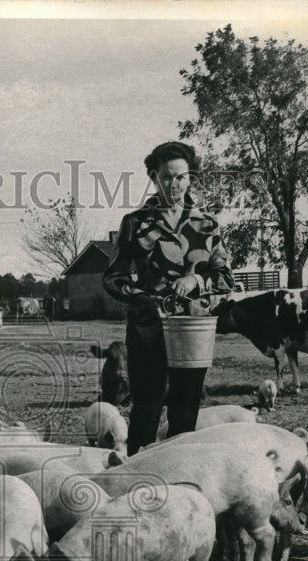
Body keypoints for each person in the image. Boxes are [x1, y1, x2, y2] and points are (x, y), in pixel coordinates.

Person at [103, 141, 234, 455]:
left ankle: (178, 479)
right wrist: (140, 298)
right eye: (166, 177)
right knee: (146, 407)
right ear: (153, 177)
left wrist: (197, 279)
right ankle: (138, 477)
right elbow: (112, 277)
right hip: (148, 330)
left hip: (193, 330)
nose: (174, 185)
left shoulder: (207, 225)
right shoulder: (135, 224)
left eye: (181, 177)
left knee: (185, 409)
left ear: (190, 178)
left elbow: (226, 278)